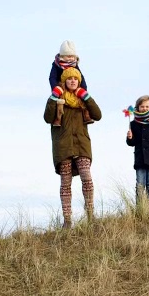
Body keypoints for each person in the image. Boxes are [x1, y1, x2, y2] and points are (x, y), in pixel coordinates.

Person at [44, 67, 102, 228]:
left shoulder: (82, 100)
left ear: (79, 81)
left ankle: (90, 215)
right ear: (64, 81)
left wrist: (86, 96)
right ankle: (67, 220)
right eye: (69, 79)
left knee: (87, 179)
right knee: (65, 183)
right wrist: (53, 97)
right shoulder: (57, 99)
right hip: (63, 146)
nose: (72, 81)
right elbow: (48, 118)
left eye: (75, 79)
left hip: (82, 145)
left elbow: (97, 115)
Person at [48, 40, 93, 125]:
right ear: (62, 56)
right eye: (68, 56)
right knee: (60, 101)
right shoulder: (56, 65)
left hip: (74, 87)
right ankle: (58, 118)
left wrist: (83, 88)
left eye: (73, 56)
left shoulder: (74, 65)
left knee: (82, 98)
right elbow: (52, 77)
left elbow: (81, 77)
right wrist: (55, 88)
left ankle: (86, 114)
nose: (71, 58)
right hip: (62, 87)